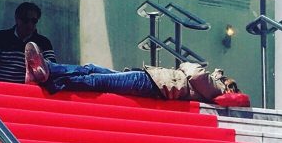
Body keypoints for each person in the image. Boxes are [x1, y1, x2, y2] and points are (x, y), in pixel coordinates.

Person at [23, 42, 249, 106]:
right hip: (152, 79)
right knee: (92, 68)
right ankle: (48, 69)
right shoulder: (215, 89)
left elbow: (194, 72)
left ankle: (52, 81)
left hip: (152, 83)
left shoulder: (217, 86)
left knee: (97, 80)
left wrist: (187, 67)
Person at [0, 2, 56, 83]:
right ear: (17, 19)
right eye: (25, 20)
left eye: (34, 21)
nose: (29, 24)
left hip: (29, 91)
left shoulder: (43, 43)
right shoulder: (2, 37)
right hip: (1, 88)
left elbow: (52, 69)